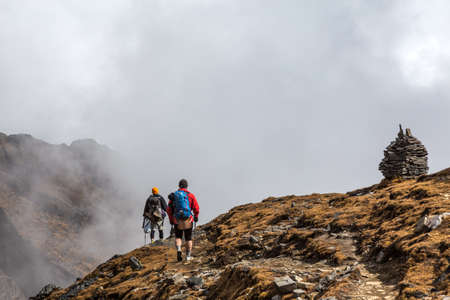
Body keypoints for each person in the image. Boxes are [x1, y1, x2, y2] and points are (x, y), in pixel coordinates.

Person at [167, 179, 199, 262]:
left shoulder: (174, 196)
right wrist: (196, 216)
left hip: (177, 219)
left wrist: (171, 220)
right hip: (188, 219)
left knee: (178, 237)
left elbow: (169, 209)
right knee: (188, 238)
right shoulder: (190, 195)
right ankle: (188, 256)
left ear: (179, 186)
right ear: (187, 186)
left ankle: (178, 250)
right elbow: (196, 207)